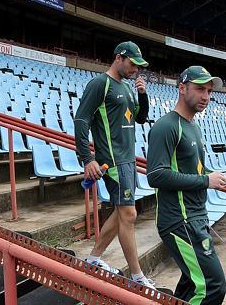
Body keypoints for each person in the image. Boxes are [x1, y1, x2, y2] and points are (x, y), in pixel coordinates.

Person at [74, 41, 154, 288]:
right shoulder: (101, 84)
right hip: (113, 162)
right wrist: (87, 159)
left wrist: (142, 93)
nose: (135, 70)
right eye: (132, 64)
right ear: (119, 57)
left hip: (128, 160)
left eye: (139, 66)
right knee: (129, 214)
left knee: (122, 214)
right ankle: (137, 277)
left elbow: (140, 118)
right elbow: (81, 120)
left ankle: (93, 259)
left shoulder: (128, 88)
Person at [147, 66, 226, 304]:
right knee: (213, 287)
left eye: (209, 91)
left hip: (196, 217)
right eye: (200, 89)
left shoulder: (194, 126)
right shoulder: (166, 126)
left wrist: (212, 175)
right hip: (179, 220)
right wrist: (206, 181)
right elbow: (156, 175)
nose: (206, 96)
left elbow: (195, 170)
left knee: (191, 287)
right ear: (182, 88)